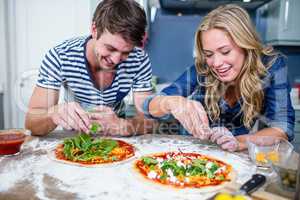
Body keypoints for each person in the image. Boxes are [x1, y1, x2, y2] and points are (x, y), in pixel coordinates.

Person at [143, 4, 295, 151]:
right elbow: (148, 107)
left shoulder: (271, 66)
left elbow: (283, 128)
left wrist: (239, 142)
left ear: (245, 45)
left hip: (235, 155)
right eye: (209, 54)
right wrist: (170, 101)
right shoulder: (203, 68)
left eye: (225, 51)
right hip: (193, 150)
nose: (216, 63)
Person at [25, 0, 154, 136]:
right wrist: (53, 113)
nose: (116, 60)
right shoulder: (60, 56)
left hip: (119, 141)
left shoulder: (139, 60)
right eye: (110, 48)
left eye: (126, 52)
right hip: (74, 140)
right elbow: (31, 124)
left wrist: (123, 125)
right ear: (94, 30)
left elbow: (149, 122)